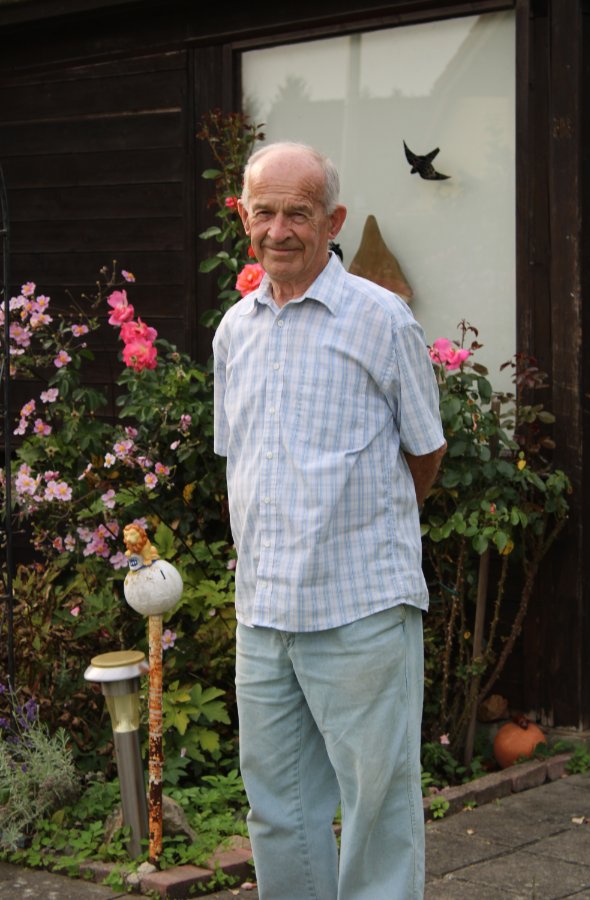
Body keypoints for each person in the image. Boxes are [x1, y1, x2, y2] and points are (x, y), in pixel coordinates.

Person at [212, 141, 447, 900]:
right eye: (264, 212)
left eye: (298, 214)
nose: (278, 231)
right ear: (245, 217)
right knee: (278, 809)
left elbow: (425, 452)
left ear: (333, 220)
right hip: (263, 614)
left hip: (360, 609)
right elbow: (241, 460)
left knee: (377, 810)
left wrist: (364, 532)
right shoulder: (234, 331)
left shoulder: (382, 320)